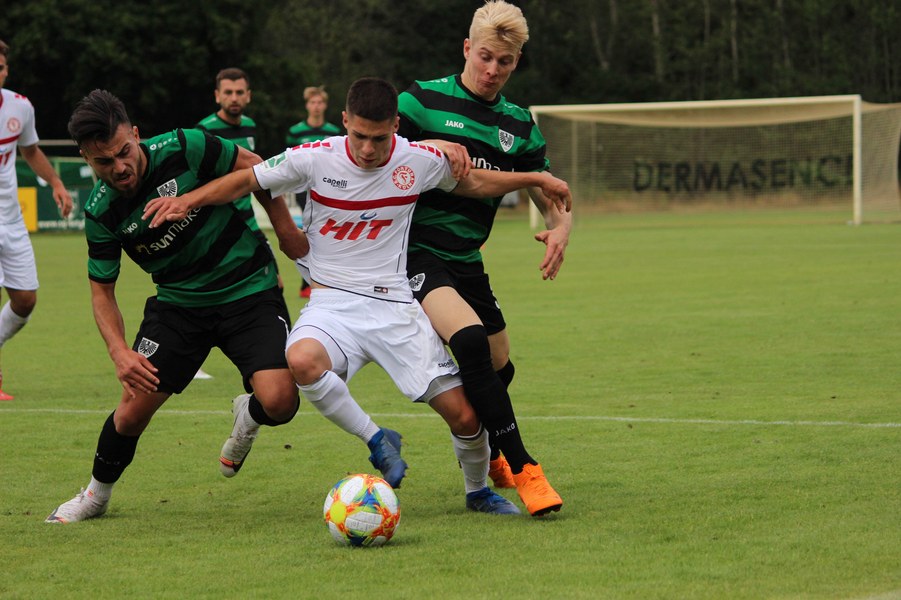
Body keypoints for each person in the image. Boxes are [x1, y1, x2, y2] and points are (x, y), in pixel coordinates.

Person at [143, 77, 571, 515]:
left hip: (396, 306)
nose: (368, 149)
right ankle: (376, 439)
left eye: (379, 139)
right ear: (345, 120)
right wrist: (188, 201)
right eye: (360, 136)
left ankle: (477, 491)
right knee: (301, 360)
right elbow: (246, 180)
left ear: (396, 127)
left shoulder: (416, 160)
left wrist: (536, 178)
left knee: (465, 416)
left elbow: (475, 183)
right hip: (332, 304)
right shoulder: (314, 156)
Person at [45, 89, 307, 524]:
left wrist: (285, 230)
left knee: (279, 402)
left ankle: (249, 413)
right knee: (131, 409)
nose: (119, 167)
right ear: (85, 158)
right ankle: (94, 496)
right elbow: (102, 292)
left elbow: (258, 169)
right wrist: (119, 352)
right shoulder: (101, 212)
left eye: (124, 152)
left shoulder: (186, 145)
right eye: (103, 162)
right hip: (179, 307)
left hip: (248, 290)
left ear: (135, 134)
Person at [397, 0, 572, 516]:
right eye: (486, 57)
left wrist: (562, 227)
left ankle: (488, 450)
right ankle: (525, 469)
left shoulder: (518, 124)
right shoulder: (421, 100)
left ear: (517, 63)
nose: (493, 70)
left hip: (466, 257)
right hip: (411, 250)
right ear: (467, 48)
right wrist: (432, 142)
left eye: (506, 62)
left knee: (499, 367)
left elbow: (551, 192)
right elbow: (386, 154)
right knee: (471, 343)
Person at [0, 39, 73, 401]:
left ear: (6, 70)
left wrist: (56, 183)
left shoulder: (20, 106)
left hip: (11, 221)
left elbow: (30, 151)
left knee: (25, 300)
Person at [193, 67, 260, 380]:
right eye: (228, 92)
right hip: (217, 228)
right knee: (204, 291)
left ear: (248, 96)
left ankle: (272, 356)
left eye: (239, 92)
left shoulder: (250, 126)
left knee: (271, 283)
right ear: (217, 96)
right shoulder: (204, 130)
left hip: (249, 225)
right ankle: (188, 356)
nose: (234, 98)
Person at [284, 85, 341, 299]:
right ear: (307, 105)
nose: (316, 106)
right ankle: (307, 283)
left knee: (326, 232)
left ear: (325, 105)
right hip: (303, 190)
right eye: (313, 102)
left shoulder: (334, 132)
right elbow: (289, 161)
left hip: (328, 188)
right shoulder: (295, 132)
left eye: (320, 102)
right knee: (310, 231)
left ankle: (324, 280)